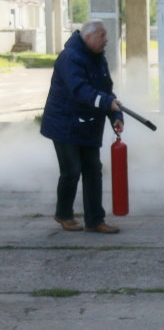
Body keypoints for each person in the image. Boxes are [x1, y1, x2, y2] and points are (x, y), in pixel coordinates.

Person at [41, 19, 124, 233]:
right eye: (102, 36)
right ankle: (64, 214)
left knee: (93, 170)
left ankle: (95, 220)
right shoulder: (69, 58)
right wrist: (106, 103)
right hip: (64, 124)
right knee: (72, 171)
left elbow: (105, 90)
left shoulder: (98, 57)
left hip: (87, 124)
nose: (106, 41)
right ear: (88, 37)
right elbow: (80, 90)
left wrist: (115, 113)